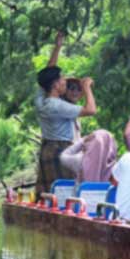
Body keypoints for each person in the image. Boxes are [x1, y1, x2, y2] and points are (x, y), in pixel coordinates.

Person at [34, 66, 97, 198]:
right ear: (55, 85)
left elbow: (47, 72)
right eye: (62, 79)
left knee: (49, 191)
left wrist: (57, 46)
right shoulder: (58, 106)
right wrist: (86, 87)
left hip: (47, 149)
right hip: (61, 151)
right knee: (62, 191)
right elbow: (91, 110)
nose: (64, 82)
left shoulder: (41, 100)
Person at [46, 31, 83, 141]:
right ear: (64, 90)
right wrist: (57, 48)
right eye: (71, 88)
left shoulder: (74, 111)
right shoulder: (58, 105)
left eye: (79, 89)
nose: (75, 92)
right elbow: (49, 73)